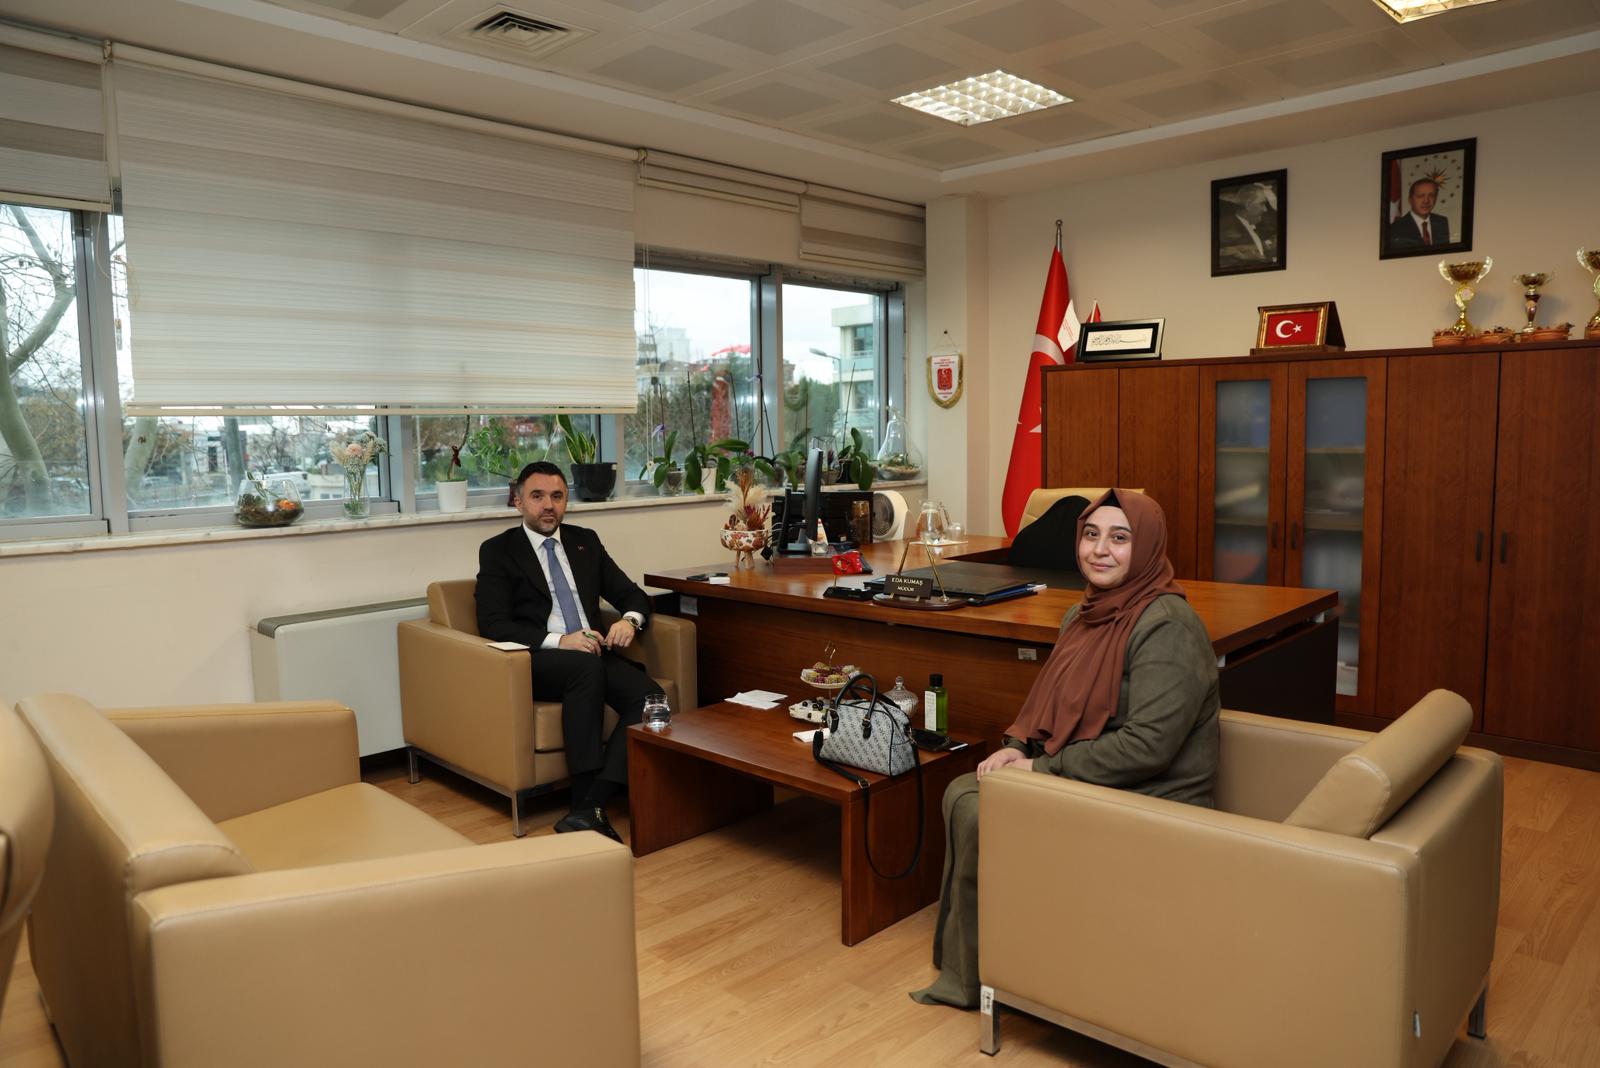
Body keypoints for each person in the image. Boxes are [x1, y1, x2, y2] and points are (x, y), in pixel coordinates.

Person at [910, 489, 1220, 1009]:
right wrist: (1017, 746)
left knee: (977, 805)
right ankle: (981, 968)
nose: (1100, 549)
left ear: (1146, 546)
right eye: (1091, 535)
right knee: (968, 789)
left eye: (1120, 538)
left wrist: (1042, 768)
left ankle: (982, 973)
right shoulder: (1083, 614)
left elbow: (1148, 748)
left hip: (1154, 798)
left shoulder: (1167, 624)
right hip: (1095, 779)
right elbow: (1054, 699)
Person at [475, 460, 662, 844]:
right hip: (537, 658)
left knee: (651, 698)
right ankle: (583, 797)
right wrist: (561, 640)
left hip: (591, 652)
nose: (549, 505)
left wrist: (629, 622)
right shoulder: (498, 550)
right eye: (538, 496)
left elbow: (632, 595)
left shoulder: (585, 541)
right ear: (518, 502)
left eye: (557, 496)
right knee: (584, 668)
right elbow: (493, 623)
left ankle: (591, 806)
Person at [1388, 177, 1450, 248]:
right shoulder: (1396, 228)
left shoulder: (1442, 222)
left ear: (1435, 198)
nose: (1426, 201)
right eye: (1420, 196)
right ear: (1410, 200)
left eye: (1431, 195)